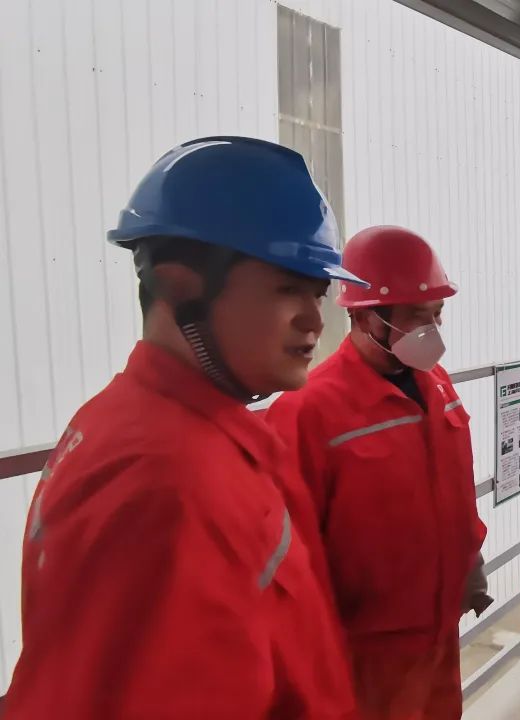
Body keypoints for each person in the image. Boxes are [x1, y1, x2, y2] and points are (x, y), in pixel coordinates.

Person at [3, 137, 366, 718]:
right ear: (180, 285)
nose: (313, 319)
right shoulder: (169, 483)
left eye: (317, 292)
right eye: (287, 289)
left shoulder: (161, 427)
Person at [265, 225, 491, 720]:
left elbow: (451, 484)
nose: (432, 329)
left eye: (436, 313)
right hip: (362, 656)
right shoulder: (308, 411)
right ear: (366, 316)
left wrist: (468, 556)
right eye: (416, 316)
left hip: (438, 635)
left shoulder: (437, 385)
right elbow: (289, 557)